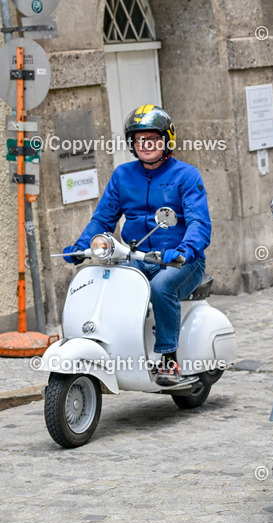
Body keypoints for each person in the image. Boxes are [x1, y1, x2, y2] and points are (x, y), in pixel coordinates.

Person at [63, 105, 210, 386]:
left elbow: (199, 223)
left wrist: (183, 250)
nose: (146, 145)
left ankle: (168, 359)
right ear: (132, 143)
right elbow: (103, 218)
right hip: (136, 254)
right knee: (107, 282)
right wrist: (81, 246)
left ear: (167, 141)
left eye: (153, 139)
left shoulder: (186, 176)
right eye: (140, 139)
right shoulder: (122, 175)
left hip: (180, 260)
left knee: (161, 287)